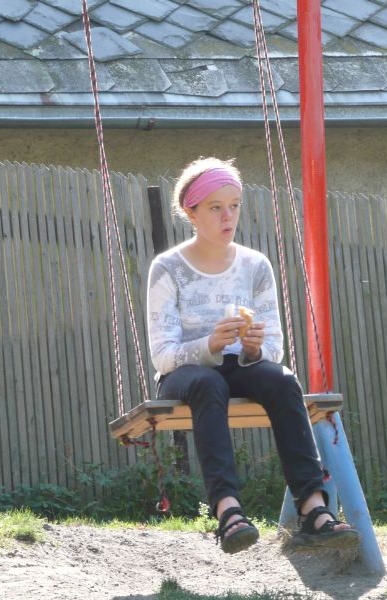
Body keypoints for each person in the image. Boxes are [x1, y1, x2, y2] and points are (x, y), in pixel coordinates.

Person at [146, 157, 359, 554]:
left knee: (282, 379)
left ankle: (314, 508)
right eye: (215, 207)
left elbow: (274, 349)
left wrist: (254, 348)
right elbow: (163, 356)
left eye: (234, 205)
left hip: (239, 367)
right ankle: (228, 511)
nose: (228, 216)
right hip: (186, 374)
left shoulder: (255, 266)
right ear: (191, 213)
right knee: (208, 382)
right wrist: (210, 344)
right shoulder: (168, 268)